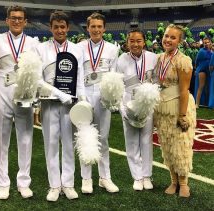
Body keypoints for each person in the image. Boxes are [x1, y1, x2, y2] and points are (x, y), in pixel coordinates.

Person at [0, 5, 39, 199]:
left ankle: (23, 182)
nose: (17, 21)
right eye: (13, 18)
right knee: (1, 139)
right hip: (2, 89)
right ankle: (3, 182)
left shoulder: (33, 42)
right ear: (7, 20)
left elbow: (37, 72)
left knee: (25, 138)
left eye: (20, 18)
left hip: (24, 93)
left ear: (25, 22)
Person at [36, 11, 85, 201]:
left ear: (68, 28)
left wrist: (82, 100)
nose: (59, 30)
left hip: (70, 104)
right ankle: (54, 186)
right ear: (51, 28)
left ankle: (69, 184)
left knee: (68, 144)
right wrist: (59, 94)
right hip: (49, 103)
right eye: (55, 27)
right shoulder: (41, 49)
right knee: (51, 144)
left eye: (62, 27)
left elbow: (79, 78)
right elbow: (38, 80)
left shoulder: (77, 49)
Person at [77, 12, 119, 194]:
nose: (96, 30)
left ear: (104, 28)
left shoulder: (112, 49)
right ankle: (86, 179)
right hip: (85, 94)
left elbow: (114, 74)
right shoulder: (79, 47)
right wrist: (80, 96)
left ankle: (105, 177)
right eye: (92, 26)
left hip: (103, 97)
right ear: (87, 28)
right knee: (85, 136)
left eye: (99, 26)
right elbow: (77, 73)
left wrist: (110, 97)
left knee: (103, 138)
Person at [153, 24, 196, 198]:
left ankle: (184, 183)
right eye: (166, 36)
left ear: (179, 41)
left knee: (181, 145)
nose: (168, 40)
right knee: (168, 145)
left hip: (179, 106)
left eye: (173, 37)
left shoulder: (183, 60)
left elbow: (184, 90)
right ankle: (173, 181)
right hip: (162, 108)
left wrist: (183, 115)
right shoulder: (158, 58)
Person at [117, 29, 157, 191]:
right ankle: (137, 177)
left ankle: (146, 175)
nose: (135, 44)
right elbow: (118, 87)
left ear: (144, 42)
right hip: (128, 105)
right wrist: (122, 109)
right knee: (132, 141)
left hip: (147, 105)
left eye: (138, 40)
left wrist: (152, 101)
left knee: (147, 140)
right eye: (132, 41)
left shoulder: (153, 58)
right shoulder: (121, 59)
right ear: (127, 43)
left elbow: (157, 81)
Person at [195, 37, 212, 108]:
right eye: (205, 43)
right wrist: (197, 70)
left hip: (210, 71)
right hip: (202, 70)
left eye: (207, 42)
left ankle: (207, 103)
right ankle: (197, 104)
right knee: (201, 87)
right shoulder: (201, 51)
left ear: (210, 43)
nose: (206, 44)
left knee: (208, 87)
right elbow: (196, 61)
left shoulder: (212, 51)